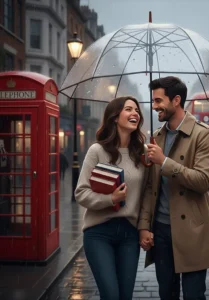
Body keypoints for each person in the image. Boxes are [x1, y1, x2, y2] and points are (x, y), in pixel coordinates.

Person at [138, 76, 209, 300]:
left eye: (158, 101)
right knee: (167, 293)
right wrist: (144, 226)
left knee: (194, 295)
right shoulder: (157, 137)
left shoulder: (204, 134)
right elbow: (150, 188)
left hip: (192, 230)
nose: (154, 106)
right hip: (162, 230)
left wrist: (165, 162)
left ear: (176, 100)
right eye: (153, 101)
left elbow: (204, 181)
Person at [75, 96, 149, 300]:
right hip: (99, 233)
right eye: (128, 109)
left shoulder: (142, 153)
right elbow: (81, 193)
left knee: (125, 296)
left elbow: (147, 196)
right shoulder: (97, 150)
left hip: (129, 234)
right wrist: (111, 199)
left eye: (137, 110)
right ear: (115, 117)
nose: (135, 113)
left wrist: (144, 227)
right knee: (110, 295)